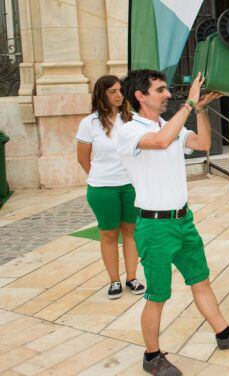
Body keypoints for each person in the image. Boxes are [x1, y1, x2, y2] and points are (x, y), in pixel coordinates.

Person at [116, 70, 229, 376]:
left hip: (183, 220)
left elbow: (204, 142)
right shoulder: (128, 129)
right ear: (140, 96)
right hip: (155, 227)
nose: (168, 94)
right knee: (158, 295)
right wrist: (189, 103)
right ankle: (151, 356)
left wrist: (201, 111)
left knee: (201, 280)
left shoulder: (167, 124)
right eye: (160, 90)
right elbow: (160, 141)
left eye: (167, 89)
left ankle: (224, 334)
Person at [76, 75, 145, 299]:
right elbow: (82, 158)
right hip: (102, 188)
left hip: (130, 186)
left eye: (119, 90)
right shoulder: (89, 123)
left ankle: (132, 278)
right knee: (107, 233)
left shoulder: (132, 119)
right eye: (112, 91)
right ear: (101, 95)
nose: (118, 95)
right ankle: (114, 281)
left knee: (130, 231)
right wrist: (100, 176)